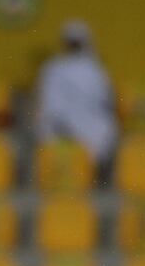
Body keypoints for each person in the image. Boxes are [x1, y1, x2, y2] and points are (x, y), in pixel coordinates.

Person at [36, 19, 117, 166]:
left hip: (92, 126)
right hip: (59, 127)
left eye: (76, 42)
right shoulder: (54, 68)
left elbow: (106, 101)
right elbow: (50, 104)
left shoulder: (96, 70)